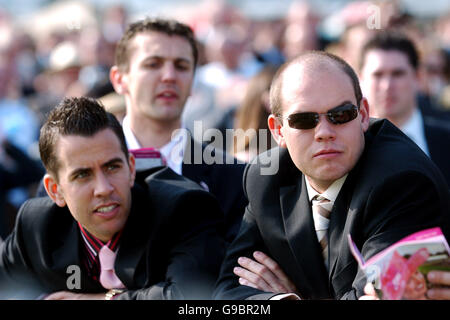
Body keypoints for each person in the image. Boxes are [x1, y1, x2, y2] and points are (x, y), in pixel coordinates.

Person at [213, 51, 450, 300]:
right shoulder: (265, 178)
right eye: (304, 120)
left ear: (364, 115)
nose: (324, 132)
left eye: (341, 115)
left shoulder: (403, 180)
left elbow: (377, 296)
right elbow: (228, 293)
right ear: (278, 130)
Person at [0, 97, 225, 300]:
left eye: (112, 167)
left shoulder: (184, 209)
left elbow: (190, 299)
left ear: (131, 168)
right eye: (82, 175)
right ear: (54, 190)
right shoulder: (36, 224)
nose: (103, 189)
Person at [109, 17, 247, 243]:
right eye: (153, 64)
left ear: (193, 81)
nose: (169, 76)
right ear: (120, 79)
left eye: (181, 66)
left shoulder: (234, 179)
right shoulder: (78, 170)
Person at [358, 31, 450, 186]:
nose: (387, 86)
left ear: (418, 77)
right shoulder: (349, 147)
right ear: (361, 79)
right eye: (378, 75)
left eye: (397, 74)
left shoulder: (446, 140)